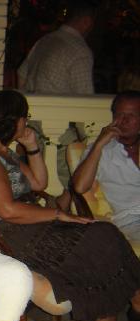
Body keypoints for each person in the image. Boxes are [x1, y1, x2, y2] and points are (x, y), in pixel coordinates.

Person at [0, 89, 140, 321]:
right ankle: (129, 309)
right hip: (7, 232)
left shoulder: (3, 153)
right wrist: (58, 214)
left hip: (26, 224)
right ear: (13, 120)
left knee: (102, 237)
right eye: (24, 117)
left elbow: (38, 182)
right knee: (101, 237)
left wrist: (32, 146)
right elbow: (7, 210)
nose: (27, 122)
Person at [72, 90, 140, 246]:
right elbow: (80, 187)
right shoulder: (101, 150)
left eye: (131, 115)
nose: (123, 121)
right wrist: (99, 144)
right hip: (132, 220)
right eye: (119, 114)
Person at [17, 0, 96, 95]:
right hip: (55, 104)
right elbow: (85, 96)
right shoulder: (80, 51)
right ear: (87, 22)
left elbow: (21, 76)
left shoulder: (44, 40)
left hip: (32, 101)